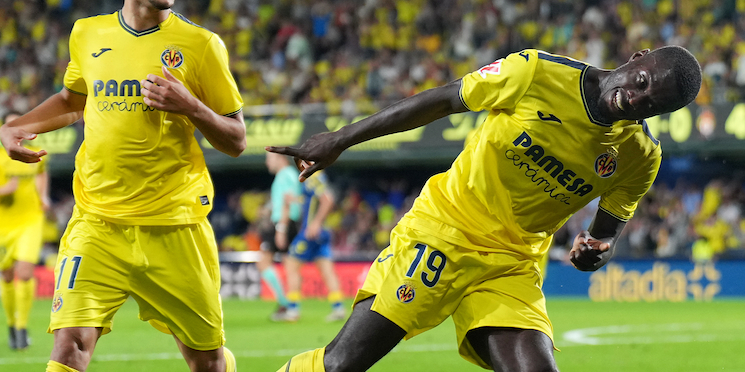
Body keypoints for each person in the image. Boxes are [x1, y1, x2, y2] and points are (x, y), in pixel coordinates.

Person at [267, 46, 702, 372]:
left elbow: (606, 232)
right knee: (342, 364)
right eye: (641, 81)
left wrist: (596, 251)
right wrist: (340, 138)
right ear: (637, 57)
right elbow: (444, 100)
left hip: (513, 263)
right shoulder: (537, 72)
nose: (637, 98)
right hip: (445, 230)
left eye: (653, 104)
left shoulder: (641, 155)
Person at [0, 0, 245, 372]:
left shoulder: (202, 45)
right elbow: (73, 99)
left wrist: (191, 107)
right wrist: (16, 126)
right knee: (70, 347)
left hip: (174, 226)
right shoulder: (87, 33)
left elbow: (236, 140)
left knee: (206, 360)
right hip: (97, 223)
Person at [0, 112, 51, 350]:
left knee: (25, 273)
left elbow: (41, 173)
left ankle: (21, 327)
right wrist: (3, 190)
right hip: (3, 225)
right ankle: (10, 323)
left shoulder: (35, 153)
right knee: (7, 275)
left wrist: (43, 196)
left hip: (31, 220)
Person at [282, 170, 346, 322]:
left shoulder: (314, 177)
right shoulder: (317, 176)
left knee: (291, 265)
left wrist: (316, 222)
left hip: (310, 232)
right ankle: (338, 308)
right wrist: (295, 200)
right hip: (322, 232)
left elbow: (327, 199)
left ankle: (293, 309)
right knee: (326, 270)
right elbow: (311, 201)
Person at [261, 151, 302, 321]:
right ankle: (288, 305)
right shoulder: (287, 175)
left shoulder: (286, 175)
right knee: (287, 265)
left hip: (284, 223)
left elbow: (288, 201)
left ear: (281, 158)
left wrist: (281, 228)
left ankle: (288, 305)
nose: (267, 163)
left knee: (275, 264)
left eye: (269, 159)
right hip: (284, 222)